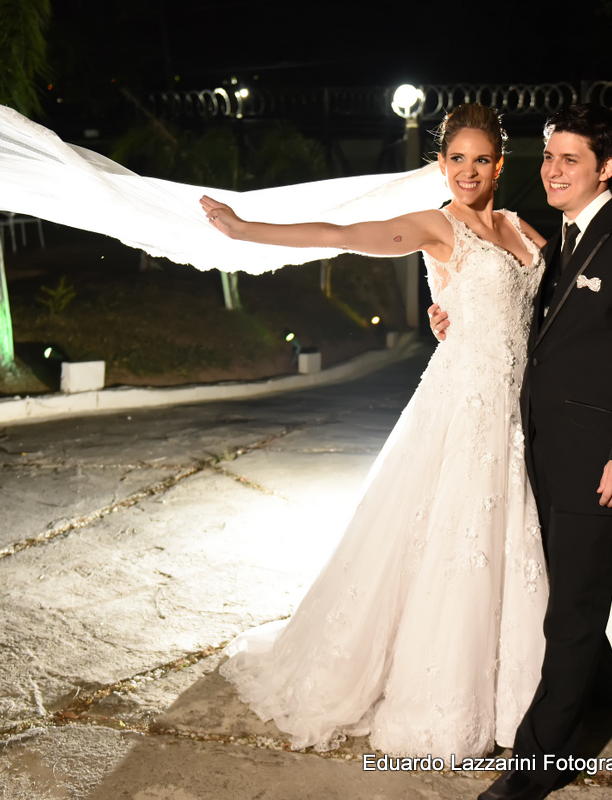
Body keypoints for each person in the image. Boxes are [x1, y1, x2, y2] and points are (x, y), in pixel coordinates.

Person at [200, 103, 551, 758]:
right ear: (440, 165)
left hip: (516, 410)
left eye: (481, 159)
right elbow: (343, 231)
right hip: (462, 408)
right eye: (456, 159)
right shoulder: (436, 226)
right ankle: (441, 705)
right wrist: (248, 229)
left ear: (500, 165)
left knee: (505, 547)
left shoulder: (519, 229)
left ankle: (515, 699)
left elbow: (554, 304)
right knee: (450, 542)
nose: (468, 171)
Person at [433, 104, 612, 800]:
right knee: (563, 587)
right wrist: (455, 316)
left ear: (606, 167)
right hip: (538, 445)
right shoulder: (563, 240)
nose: (552, 170)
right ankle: (599, 692)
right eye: (548, 158)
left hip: (598, 455)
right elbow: (533, 325)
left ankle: (539, 762)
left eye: (569, 159)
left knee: (572, 607)